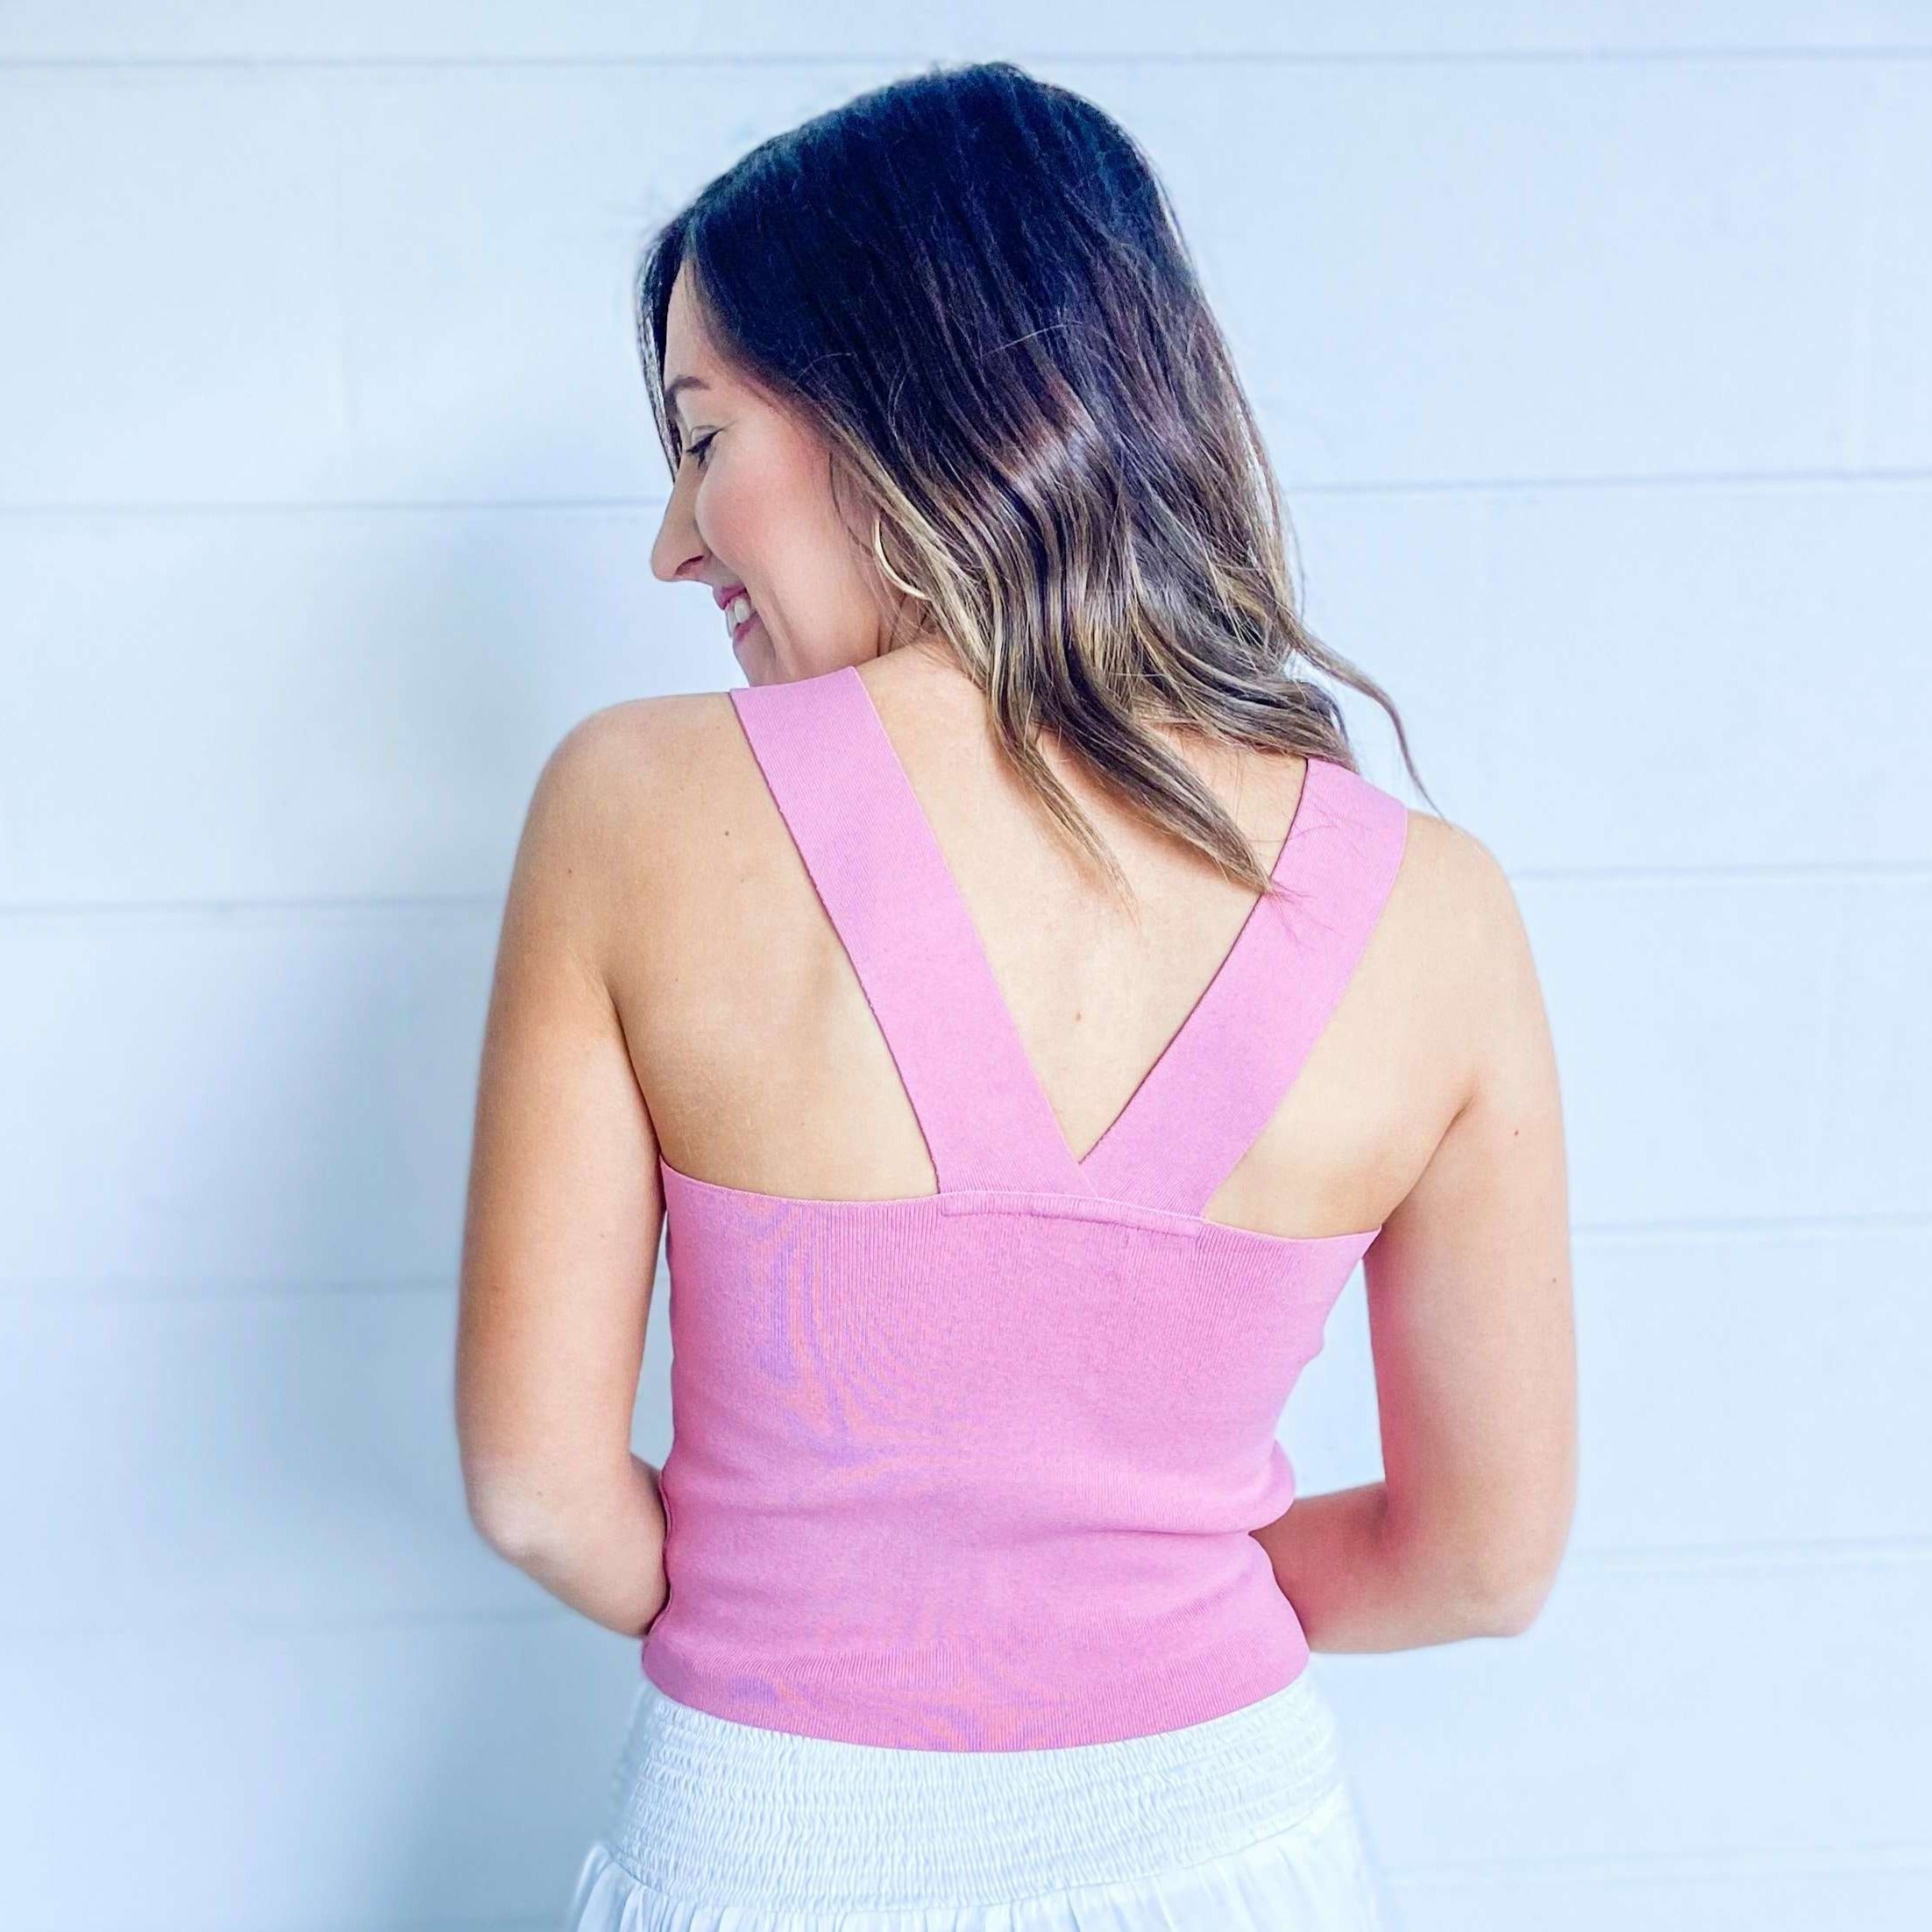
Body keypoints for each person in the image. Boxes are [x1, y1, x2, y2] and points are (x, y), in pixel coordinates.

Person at [456, 59, 1575, 1932]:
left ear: (905, 398)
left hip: (772, 1845)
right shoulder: (1440, 911)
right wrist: (1128, 1616)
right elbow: (1482, 1561)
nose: (673, 540)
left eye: (703, 437)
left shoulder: (633, 806)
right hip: (1237, 1851)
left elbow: (537, 1493)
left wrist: (819, 1626)